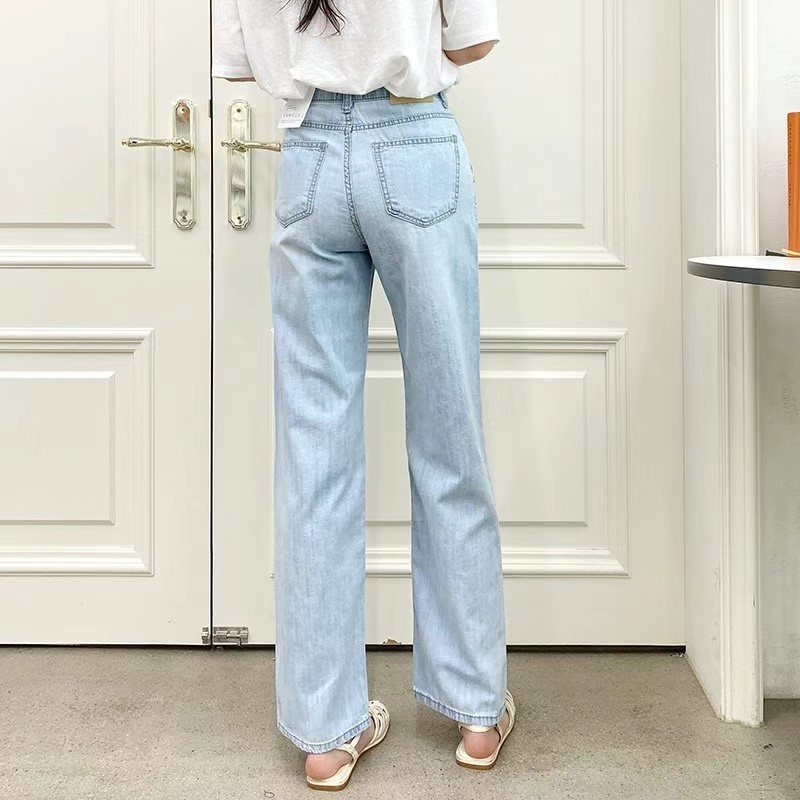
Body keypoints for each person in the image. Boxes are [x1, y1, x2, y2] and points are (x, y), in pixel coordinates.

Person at [212, 0, 515, 790]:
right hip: (414, 142)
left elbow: (241, 63)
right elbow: (473, 43)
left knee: (315, 453)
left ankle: (325, 732)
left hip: (310, 157)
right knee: (449, 434)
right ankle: (476, 711)